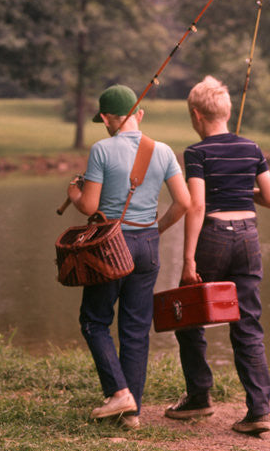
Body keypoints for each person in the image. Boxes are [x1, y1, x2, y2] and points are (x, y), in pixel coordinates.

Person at [66, 84, 190, 429]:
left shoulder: (102, 150)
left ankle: (119, 392)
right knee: (136, 329)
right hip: (147, 243)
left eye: (102, 120)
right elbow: (184, 203)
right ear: (139, 114)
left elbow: (89, 206)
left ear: (106, 118)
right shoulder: (163, 151)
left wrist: (73, 192)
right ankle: (131, 413)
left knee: (94, 320)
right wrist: (156, 229)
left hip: (110, 245)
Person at [164, 75, 270, 435]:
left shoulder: (197, 152)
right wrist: (244, 191)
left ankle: (199, 397)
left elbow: (197, 204)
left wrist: (188, 262)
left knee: (188, 313)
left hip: (214, 234)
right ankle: (259, 411)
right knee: (248, 324)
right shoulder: (252, 148)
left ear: (197, 116)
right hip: (248, 235)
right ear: (226, 113)